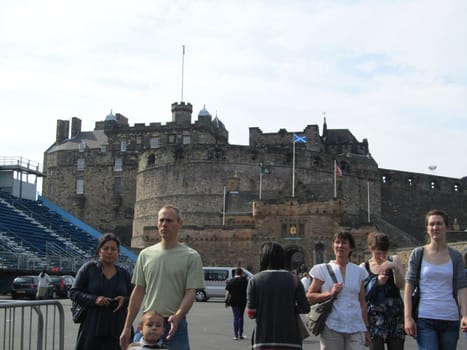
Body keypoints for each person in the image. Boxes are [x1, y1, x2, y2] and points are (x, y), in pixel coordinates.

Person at [120, 205, 205, 350]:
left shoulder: (191, 256)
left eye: (169, 220)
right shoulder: (145, 255)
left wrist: (178, 316)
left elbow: (190, 292)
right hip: (148, 324)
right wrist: (127, 326)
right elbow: (138, 291)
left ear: (179, 223)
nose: (164, 224)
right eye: (161, 220)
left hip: (174, 325)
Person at [404, 209, 467, 349]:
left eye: (439, 224)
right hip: (425, 318)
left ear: (447, 227)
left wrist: (465, 315)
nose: (435, 227)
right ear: (427, 228)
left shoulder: (456, 256)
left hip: (450, 319)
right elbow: (409, 287)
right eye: (431, 224)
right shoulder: (418, 253)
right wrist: (407, 317)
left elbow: (462, 287)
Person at [307, 231, 370, 349]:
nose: (340, 246)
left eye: (344, 243)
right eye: (337, 242)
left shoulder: (359, 272)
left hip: (355, 325)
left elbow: (362, 302)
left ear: (351, 248)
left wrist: (365, 328)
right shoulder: (322, 269)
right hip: (332, 325)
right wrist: (329, 293)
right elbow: (310, 297)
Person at [69, 233, 133, 350]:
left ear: (118, 252)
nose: (109, 252)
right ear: (99, 251)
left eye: (113, 249)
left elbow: (133, 297)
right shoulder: (88, 269)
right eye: (105, 248)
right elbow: (73, 292)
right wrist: (95, 299)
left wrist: (124, 300)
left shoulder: (124, 274)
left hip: (118, 325)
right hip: (93, 325)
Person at [246, 241, 310, 349]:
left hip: (263, 340)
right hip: (291, 340)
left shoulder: (254, 280)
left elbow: (251, 313)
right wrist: (289, 309)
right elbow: (305, 308)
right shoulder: (294, 279)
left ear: (263, 258)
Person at [360, 232, 405, 350]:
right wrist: (377, 283)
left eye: (384, 253)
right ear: (370, 249)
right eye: (377, 253)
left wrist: (394, 268)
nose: (381, 257)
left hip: (394, 315)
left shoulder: (394, 259)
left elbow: (400, 285)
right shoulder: (363, 267)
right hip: (375, 317)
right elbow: (362, 296)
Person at [225, 267, 248, 340]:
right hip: (242, 300)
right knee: (241, 317)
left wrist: (226, 301)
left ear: (235, 273)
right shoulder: (245, 281)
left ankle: (235, 335)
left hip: (234, 301)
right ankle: (240, 334)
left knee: (236, 317)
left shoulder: (231, 281)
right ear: (241, 273)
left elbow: (227, 292)